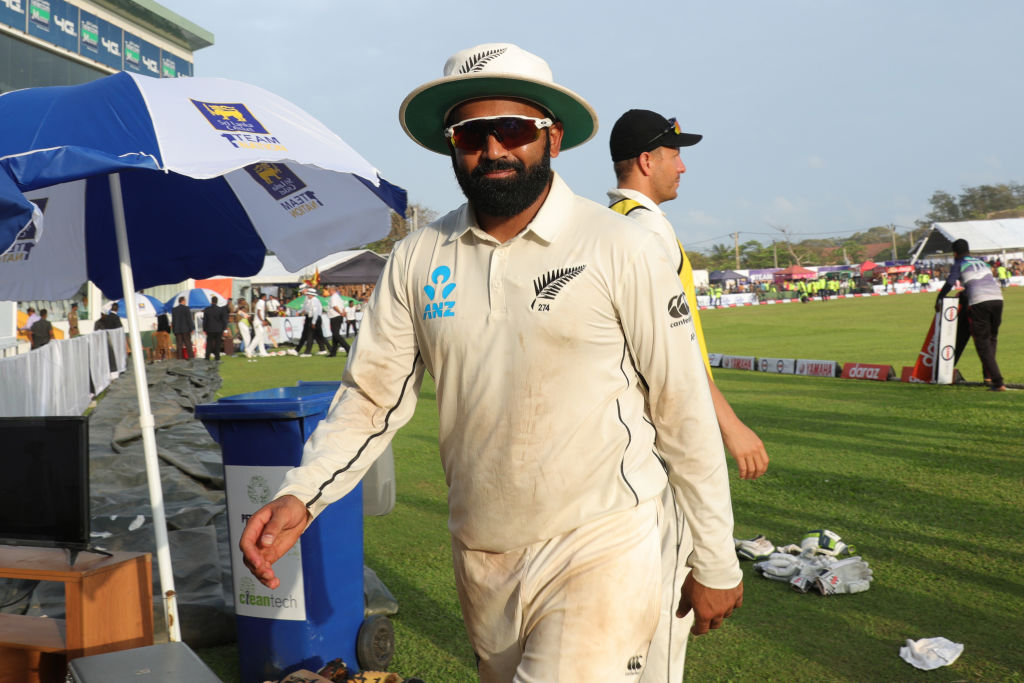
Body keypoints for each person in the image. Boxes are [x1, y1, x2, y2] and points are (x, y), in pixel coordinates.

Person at [240, 43, 742, 682]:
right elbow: (371, 400)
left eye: (515, 131)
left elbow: (680, 405)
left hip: (604, 537)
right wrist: (301, 495)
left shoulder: (617, 245)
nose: (495, 150)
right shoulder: (419, 257)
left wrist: (715, 559)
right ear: (452, 145)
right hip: (481, 548)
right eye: (474, 134)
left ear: (552, 138)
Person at [607, 108, 769, 681]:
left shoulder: (612, 220)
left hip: (618, 447)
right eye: (675, 154)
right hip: (654, 450)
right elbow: (674, 359)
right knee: (661, 640)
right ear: (647, 161)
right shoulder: (647, 228)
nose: (683, 166)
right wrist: (729, 425)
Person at [936, 239, 1006, 391]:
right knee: (991, 339)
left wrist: (939, 299)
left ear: (955, 253)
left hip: (980, 302)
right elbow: (979, 281)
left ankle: (998, 382)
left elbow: (950, 283)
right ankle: (988, 376)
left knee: (982, 343)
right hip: (998, 300)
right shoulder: (982, 263)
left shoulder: (959, 263)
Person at [297, 289, 327, 356]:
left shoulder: (314, 300)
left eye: (308, 294)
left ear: (311, 294)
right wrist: (299, 312)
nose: (307, 295)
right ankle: (323, 349)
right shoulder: (312, 300)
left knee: (310, 336)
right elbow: (306, 308)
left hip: (314, 318)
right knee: (318, 335)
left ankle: (307, 352)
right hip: (314, 318)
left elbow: (315, 312)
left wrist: (313, 322)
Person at [326, 285, 350, 357]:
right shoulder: (338, 297)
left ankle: (348, 348)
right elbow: (342, 306)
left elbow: (334, 306)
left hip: (335, 316)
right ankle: (333, 353)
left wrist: (340, 312)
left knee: (336, 334)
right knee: (334, 335)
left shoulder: (333, 297)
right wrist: (343, 313)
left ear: (332, 290)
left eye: (329, 291)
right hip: (338, 316)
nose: (328, 292)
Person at [202, 296, 227, 361]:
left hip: (209, 329)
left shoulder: (207, 310)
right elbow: (224, 320)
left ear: (211, 301)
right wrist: (224, 328)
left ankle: (207, 356)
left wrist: (204, 328)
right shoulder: (221, 309)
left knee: (209, 343)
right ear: (217, 301)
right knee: (218, 343)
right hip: (219, 329)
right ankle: (217, 357)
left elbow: (205, 320)